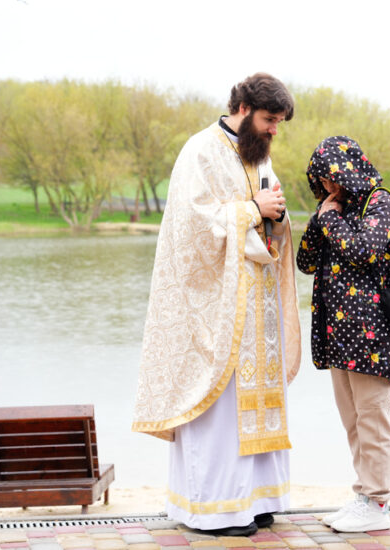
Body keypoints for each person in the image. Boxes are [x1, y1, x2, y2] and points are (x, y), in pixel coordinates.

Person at [132, 73, 301, 536]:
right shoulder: (200, 151)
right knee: (221, 415)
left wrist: (277, 216)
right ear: (244, 108)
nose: (274, 131)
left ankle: (256, 500)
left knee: (256, 405)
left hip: (256, 307)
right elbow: (191, 227)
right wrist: (253, 209)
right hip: (215, 309)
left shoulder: (258, 155)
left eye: (279, 123)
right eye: (269, 120)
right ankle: (215, 510)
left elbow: (269, 213)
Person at [296, 136, 390, 532]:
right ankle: (364, 496)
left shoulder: (379, 202)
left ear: (348, 171)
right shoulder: (335, 210)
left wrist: (330, 220)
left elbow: (364, 251)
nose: (327, 186)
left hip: (370, 336)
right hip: (338, 336)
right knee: (354, 422)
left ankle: (377, 503)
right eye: (320, 181)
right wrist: (321, 217)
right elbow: (305, 260)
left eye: (330, 178)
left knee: (373, 420)